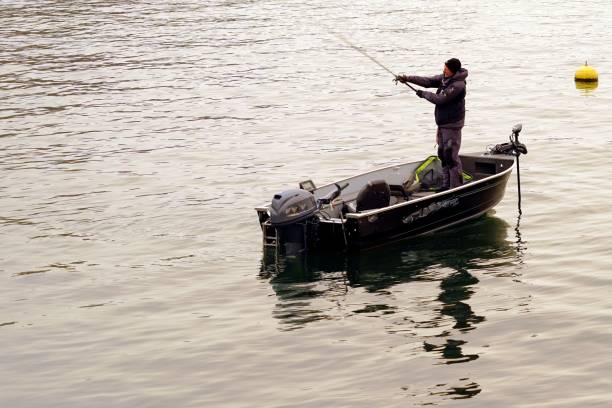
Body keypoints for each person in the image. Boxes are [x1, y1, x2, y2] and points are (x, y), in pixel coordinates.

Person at [396, 58, 468, 190]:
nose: (444, 69)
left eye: (446, 68)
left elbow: (440, 99)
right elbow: (428, 81)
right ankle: (446, 186)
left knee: (451, 156)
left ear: (453, 70)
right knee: (442, 154)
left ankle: (457, 187)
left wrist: (423, 94)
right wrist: (407, 78)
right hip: (442, 124)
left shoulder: (458, 85)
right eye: (444, 67)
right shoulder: (445, 78)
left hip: (453, 125)